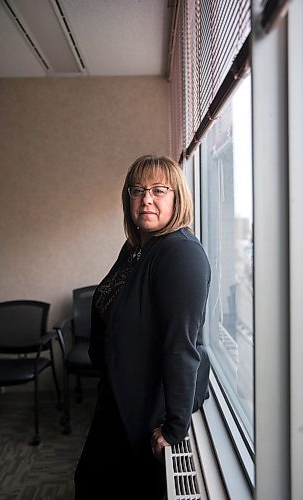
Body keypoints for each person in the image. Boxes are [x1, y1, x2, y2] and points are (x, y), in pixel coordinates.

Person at [74, 154, 211, 499]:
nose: (146, 198)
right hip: (118, 397)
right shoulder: (136, 248)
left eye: (158, 190)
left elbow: (181, 346)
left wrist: (175, 428)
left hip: (147, 411)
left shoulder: (181, 254)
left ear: (177, 197)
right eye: (137, 190)